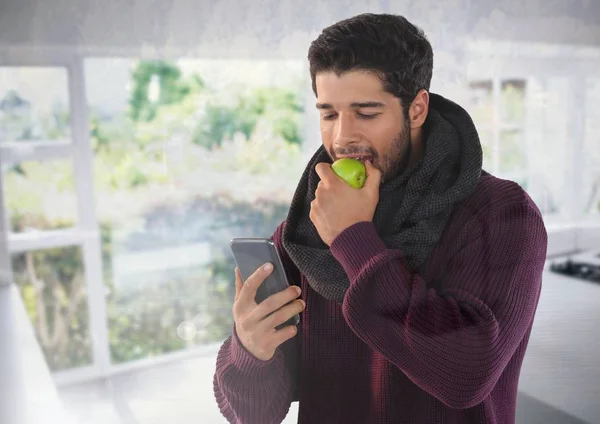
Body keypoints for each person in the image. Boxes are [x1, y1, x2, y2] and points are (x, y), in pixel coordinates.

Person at [213, 13, 547, 424]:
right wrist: (250, 350)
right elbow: (252, 414)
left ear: (417, 108)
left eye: (366, 113)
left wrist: (354, 238)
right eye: (329, 114)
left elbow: (466, 375)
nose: (341, 138)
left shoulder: (501, 214)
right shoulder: (305, 230)